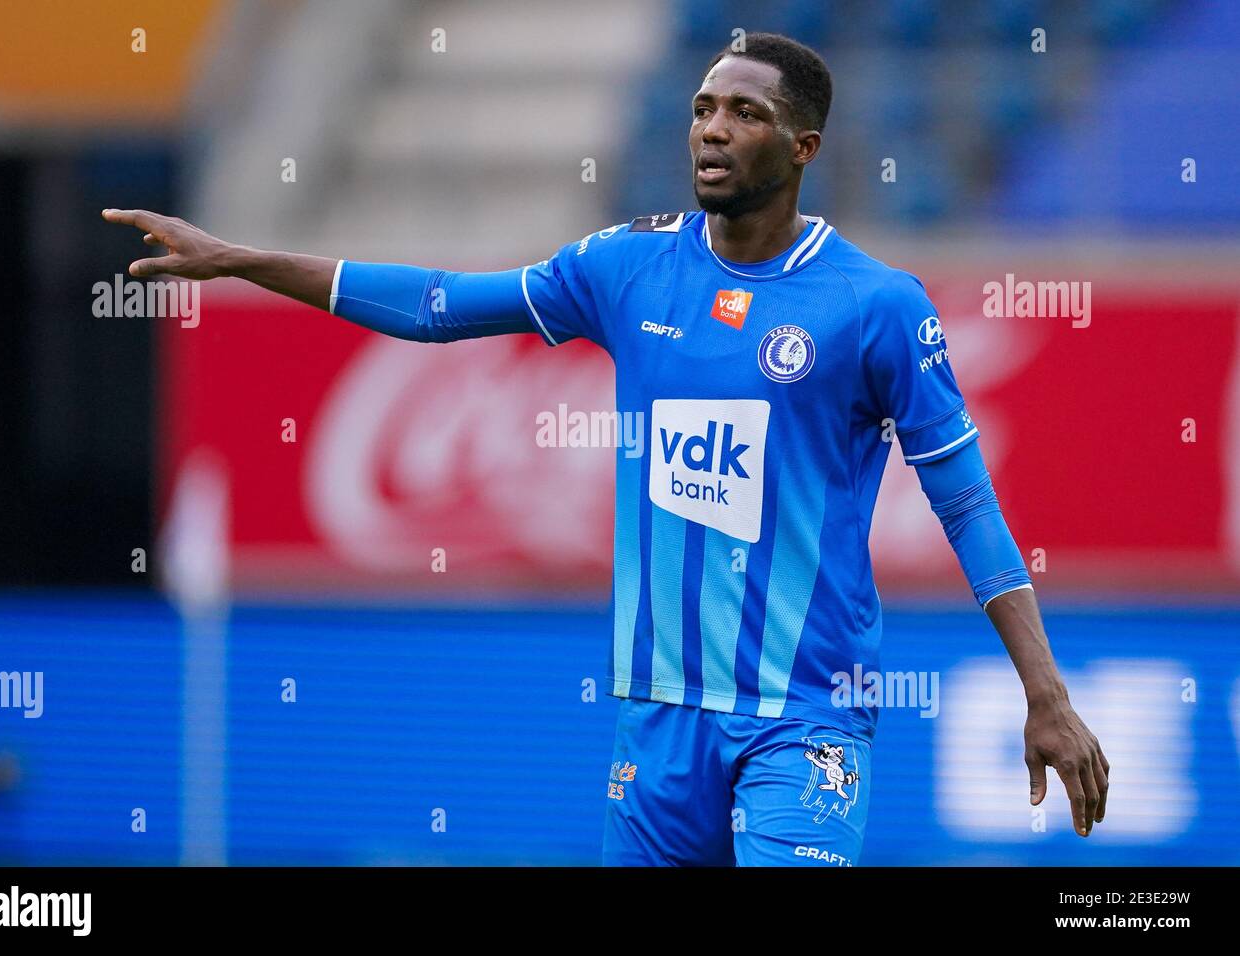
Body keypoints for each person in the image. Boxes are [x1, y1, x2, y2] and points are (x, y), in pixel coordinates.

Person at [104, 31, 1108, 866]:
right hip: (658, 721)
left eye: (745, 113)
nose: (713, 128)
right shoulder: (626, 266)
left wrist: (1046, 691)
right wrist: (242, 260)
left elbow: (965, 500)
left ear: (803, 145)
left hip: (803, 718)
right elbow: (441, 306)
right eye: (704, 106)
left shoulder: (874, 305)